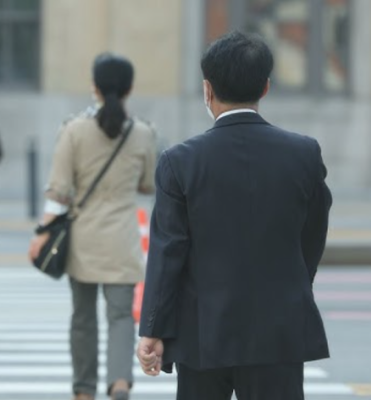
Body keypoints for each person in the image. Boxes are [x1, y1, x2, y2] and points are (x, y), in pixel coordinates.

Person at [137, 31, 332, 400]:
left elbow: (168, 253)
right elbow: (312, 235)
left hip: (201, 331)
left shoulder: (180, 162)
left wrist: (153, 328)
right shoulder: (304, 154)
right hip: (278, 327)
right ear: (266, 87)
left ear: (207, 90)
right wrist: (293, 284)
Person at [29, 53, 157, 400]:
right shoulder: (143, 133)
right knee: (120, 317)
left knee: (83, 319)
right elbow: (148, 185)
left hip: (82, 240)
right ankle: (119, 383)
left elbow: (59, 191)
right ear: (129, 88)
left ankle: (84, 390)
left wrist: (42, 233)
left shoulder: (73, 130)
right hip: (122, 240)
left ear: (94, 87)